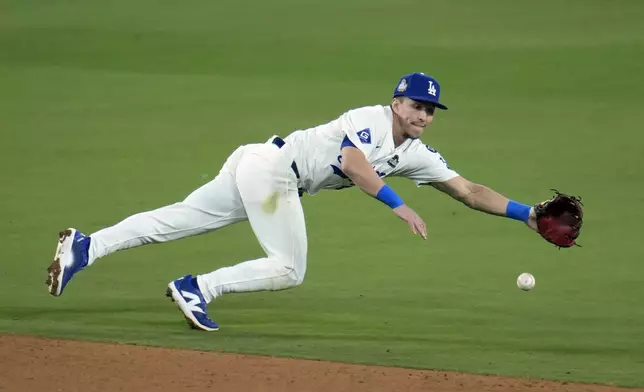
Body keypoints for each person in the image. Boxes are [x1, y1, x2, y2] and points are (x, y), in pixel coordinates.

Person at [46, 72, 538, 332]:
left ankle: (86, 247)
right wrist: (398, 205)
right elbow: (353, 164)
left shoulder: (417, 153)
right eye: (416, 106)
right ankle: (198, 287)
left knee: (178, 219)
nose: (424, 116)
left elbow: (469, 191)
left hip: (261, 165)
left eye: (431, 110)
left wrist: (529, 215)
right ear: (396, 102)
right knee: (289, 268)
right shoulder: (369, 119)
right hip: (273, 171)